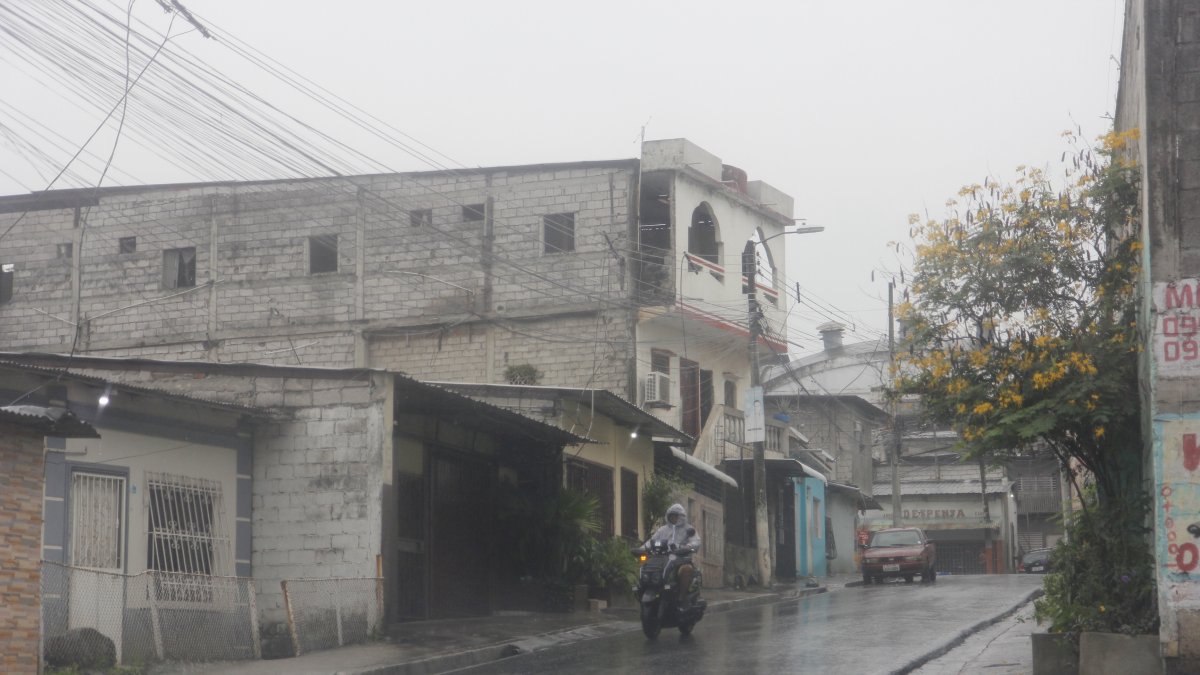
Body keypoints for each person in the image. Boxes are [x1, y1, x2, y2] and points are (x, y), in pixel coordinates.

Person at [646, 503, 701, 608]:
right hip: (664, 560)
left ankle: (681, 597)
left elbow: (696, 541)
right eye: (671, 515)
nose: (673, 518)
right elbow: (651, 541)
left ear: (681, 516)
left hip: (681, 560)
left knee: (686, 570)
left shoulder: (688, 529)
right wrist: (641, 549)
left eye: (676, 515)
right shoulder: (662, 530)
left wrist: (688, 546)